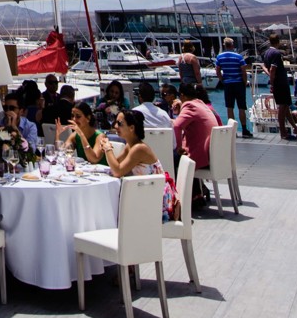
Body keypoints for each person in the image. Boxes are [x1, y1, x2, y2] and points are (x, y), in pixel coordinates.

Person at [106, 109, 181, 219]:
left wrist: (108, 149)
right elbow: (115, 166)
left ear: (132, 128)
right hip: (147, 193)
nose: (115, 126)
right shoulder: (131, 146)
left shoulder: (139, 148)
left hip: (157, 203)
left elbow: (118, 171)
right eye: (115, 122)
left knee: (114, 205)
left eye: (120, 123)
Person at [174, 82, 219, 210]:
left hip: (201, 157)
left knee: (176, 158)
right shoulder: (200, 103)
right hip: (209, 155)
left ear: (182, 95)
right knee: (183, 157)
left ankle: (185, 198)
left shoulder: (190, 105)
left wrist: (178, 147)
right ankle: (197, 194)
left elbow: (177, 126)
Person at [215, 38, 252, 137]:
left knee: (230, 107)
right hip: (239, 83)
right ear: (232, 45)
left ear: (224, 45)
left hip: (228, 84)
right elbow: (243, 71)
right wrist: (244, 82)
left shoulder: (220, 57)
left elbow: (217, 71)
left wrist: (222, 80)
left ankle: (232, 131)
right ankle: (244, 129)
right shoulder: (239, 57)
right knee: (241, 107)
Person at [264, 37, 295, 140]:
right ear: (278, 42)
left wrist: (270, 78)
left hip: (277, 83)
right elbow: (273, 69)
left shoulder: (266, 53)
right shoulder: (276, 53)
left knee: (285, 106)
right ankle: (283, 132)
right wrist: (272, 83)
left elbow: (265, 67)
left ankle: (295, 128)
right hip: (281, 83)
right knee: (282, 107)